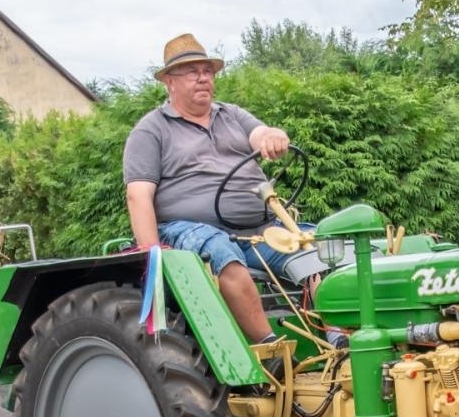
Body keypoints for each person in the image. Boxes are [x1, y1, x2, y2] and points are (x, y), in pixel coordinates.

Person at [122, 33, 328, 346]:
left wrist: (274, 136)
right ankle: (271, 349)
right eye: (192, 72)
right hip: (192, 230)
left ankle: (339, 339)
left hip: (259, 228)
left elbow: (261, 133)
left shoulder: (231, 114)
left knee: (318, 247)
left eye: (207, 71)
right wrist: (153, 258)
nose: (203, 78)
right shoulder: (151, 130)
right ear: (169, 81)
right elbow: (138, 195)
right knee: (222, 251)